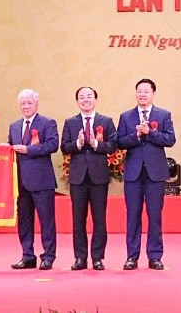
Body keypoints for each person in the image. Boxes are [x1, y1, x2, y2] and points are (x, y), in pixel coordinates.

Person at [117, 79, 176, 271]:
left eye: (146, 91)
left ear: (153, 94)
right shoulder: (126, 116)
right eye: (139, 91)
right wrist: (136, 136)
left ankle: (155, 256)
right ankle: (131, 257)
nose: (142, 95)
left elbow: (170, 139)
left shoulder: (164, 115)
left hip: (155, 173)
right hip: (133, 174)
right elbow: (119, 142)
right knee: (133, 216)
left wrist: (149, 132)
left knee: (154, 216)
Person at [60, 86, 117, 271]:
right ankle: (80, 257)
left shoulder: (106, 121)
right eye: (82, 97)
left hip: (98, 177)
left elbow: (113, 145)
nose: (86, 100)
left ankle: (97, 258)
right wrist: (78, 143)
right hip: (78, 178)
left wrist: (95, 144)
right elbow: (64, 147)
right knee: (78, 220)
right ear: (77, 101)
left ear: (95, 100)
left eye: (89, 96)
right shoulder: (70, 122)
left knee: (99, 220)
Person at [8, 89, 59, 270]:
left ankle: (48, 256)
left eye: (29, 103)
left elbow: (53, 145)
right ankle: (27, 255)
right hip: (21, 183)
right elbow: (11, 148)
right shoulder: (14, 126)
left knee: (46, 221)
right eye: (23, 103)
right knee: (24, 221)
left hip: (42, 181)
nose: (26, 106)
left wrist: (28, 150)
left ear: (36, 104)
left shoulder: (47, 123)